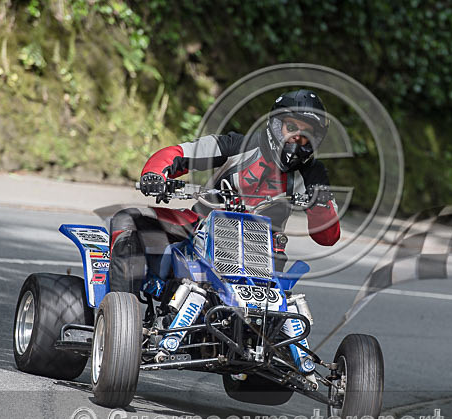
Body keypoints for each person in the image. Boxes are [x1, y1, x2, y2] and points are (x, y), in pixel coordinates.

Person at [109, 89, 340, 293]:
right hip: (200, 227)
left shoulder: (313, 174)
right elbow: (179, 153)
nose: (295, 138)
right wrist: (156, 175)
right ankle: (120, 311)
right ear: (276, 125)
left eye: (305, 134)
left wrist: (321, 205)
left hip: (262, 252)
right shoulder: (236, 145)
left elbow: (327, 237)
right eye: (291, 128)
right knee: (127, 219)